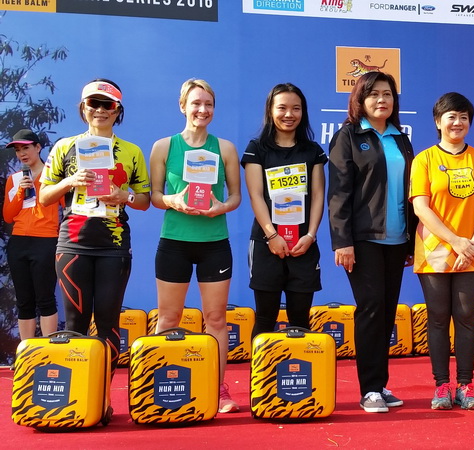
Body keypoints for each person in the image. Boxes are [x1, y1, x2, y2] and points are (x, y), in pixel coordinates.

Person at [39, 79, 151, 376]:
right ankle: (78, 392)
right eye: (93, 103)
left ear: (117, 111)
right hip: (73, 243)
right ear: (83, 108)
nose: (100, 110)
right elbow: (44, 197)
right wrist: (69, 181)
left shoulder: (131, 152)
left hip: (114, 245)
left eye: (107, 104)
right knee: (75, 324)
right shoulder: (64, 146)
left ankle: (103, 394)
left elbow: (144, 200)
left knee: (108, 322)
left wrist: (123, 196)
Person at [150, 78, 242, 413]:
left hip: (214, 244)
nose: (202, 110)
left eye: (208, 104)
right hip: (174, 242)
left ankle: (218, 389)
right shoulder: (164, 147)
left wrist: (221, 207)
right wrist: (172, 200)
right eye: (196, 103)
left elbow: (236, 197)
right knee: (168, 318)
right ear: (182, 106)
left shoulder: (225, 148)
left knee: (215, 319)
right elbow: (155, 196)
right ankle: (159, 388)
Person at [328, 71, 416, 413]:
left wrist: (411, 243)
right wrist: (342, 241)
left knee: (387, 312)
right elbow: (339, 192)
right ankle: (369, 389)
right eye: (374, 94)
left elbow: (410, 193)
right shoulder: (348, 136)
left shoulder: (400, 139)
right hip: (363, 239)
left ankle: (380, 384)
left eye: (388, 94)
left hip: (397, 240)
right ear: (360, 99)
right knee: (371, 308)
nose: (382, 100)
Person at [410, 93, 474, 410]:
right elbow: (421, 208)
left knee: (465, 317)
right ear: (438, 121)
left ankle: (465, 384)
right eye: (451, 116)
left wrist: (470, 243)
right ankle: (441, 386)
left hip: (471, 251)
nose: (457, 122)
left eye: (463, 117)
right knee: (437, 318)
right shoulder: (424, 160)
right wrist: (455, 241)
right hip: (434, 251)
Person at [242, 83, 327, 338]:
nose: (289, 114)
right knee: (265, 317)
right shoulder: (256, 148)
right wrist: (271, 235)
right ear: (270, 110)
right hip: (267, 244)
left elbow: (318, 195)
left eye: (296, 108)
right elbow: (256, 195)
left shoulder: (312, 151)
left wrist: (310, 235)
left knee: (300, 319)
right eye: (282, 108)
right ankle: (262, 366)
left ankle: (300, 366)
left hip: (303, 245)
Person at [3, 129, 61, 341]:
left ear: (38, 147)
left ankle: (50, 350)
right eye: (18, 150)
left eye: (26, 148)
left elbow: (66, 206)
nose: (22, 154)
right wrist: (20, 191)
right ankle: (26, 351)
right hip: (19, 242)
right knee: (24, 301)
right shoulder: (15, 179)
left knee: (45, 299)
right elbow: (8, 216)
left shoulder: (53, 176)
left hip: (46, 241)